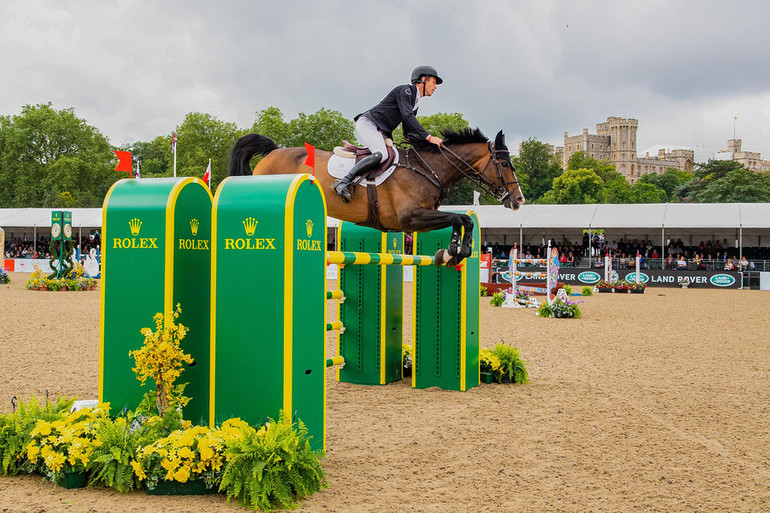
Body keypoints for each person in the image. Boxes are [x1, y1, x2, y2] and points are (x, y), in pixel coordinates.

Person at [332, 65, 444, 202]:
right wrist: (429, 137)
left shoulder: (415, 102)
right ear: (423, 79)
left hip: (381, 131)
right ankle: (343, 181)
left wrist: (424, 148)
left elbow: (408, 131)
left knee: (395, 156)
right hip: (369, 124)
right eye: (433, 82)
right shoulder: (406, 91)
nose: (435, 87)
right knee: (381, 154)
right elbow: (408, 117)